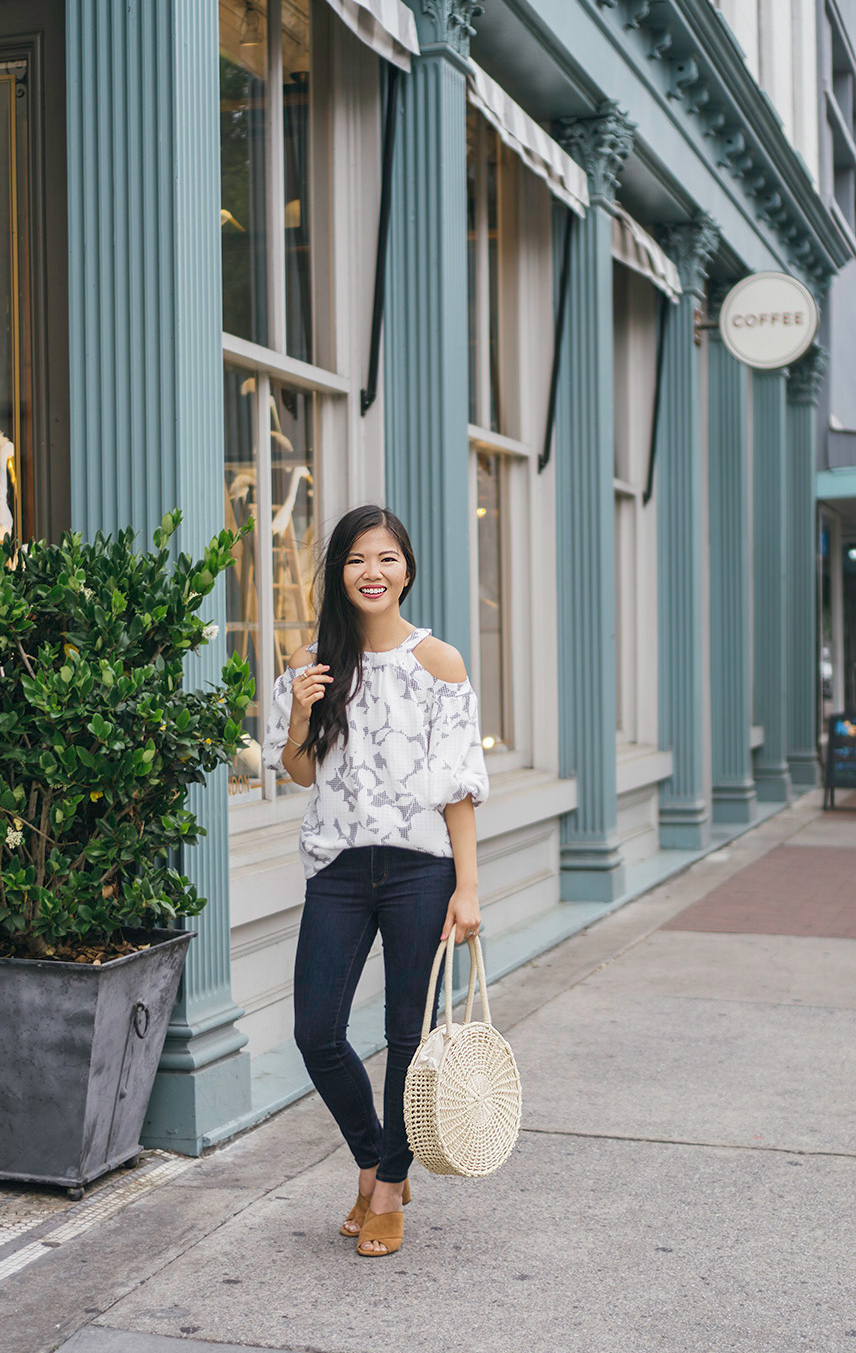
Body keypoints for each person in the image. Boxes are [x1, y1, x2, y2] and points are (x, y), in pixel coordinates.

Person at [263, 505, 489, 1257]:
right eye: (358, 559)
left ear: (407, 570)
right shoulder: (313, 662)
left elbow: (457, 786)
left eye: (387, 558)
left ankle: (389, 1187)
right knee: (317, 1032)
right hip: (337, 866)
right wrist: (299, 713)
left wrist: (469, 887)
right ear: (339, 572)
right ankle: (370, 1158)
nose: (373, 573)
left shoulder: (441, 664)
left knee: (405, 1036)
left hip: (421, 869)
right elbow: (300, 772)